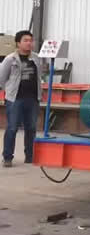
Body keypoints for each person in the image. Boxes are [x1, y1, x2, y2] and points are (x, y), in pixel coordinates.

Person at [0, 30, 42, 168]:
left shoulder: (36, 58)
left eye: (31, 40)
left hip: (32, 99)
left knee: (31, 128)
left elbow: (39, 77)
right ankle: (7, 157)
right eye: (26, 40)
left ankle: (30, 157)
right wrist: (8, 91)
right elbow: (1, 78)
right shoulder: (10, 59)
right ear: (18, 43)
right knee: (12, 128)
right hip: (15, 99)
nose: (29, 43)